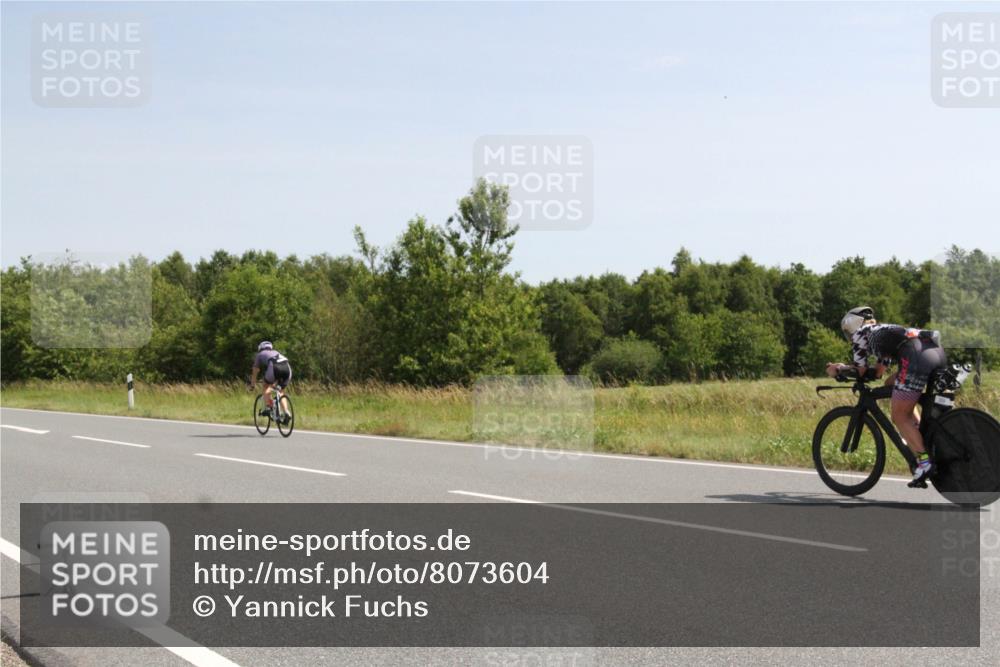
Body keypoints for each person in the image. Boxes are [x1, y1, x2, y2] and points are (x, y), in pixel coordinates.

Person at [826, 306, 948, 488]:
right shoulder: (881, 331)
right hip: (935, 352)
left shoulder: (861, 334)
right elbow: (877, 373)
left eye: (846, 332)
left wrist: (838, 369)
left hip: (916, 356)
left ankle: (924, 462)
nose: (849, 337)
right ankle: (919, 430)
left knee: (899, 416)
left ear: (851, 325)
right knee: (891, 384)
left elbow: (860, 371)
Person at [249, 341, 292, 419]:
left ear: (260, 348)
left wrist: (252, 384)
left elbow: (255, 370)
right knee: (280, 391)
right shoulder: (276, 352)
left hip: (274, 367)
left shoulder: (260, 354)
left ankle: (269, 407)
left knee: (266, 386)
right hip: (287, 369)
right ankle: (286, 412)